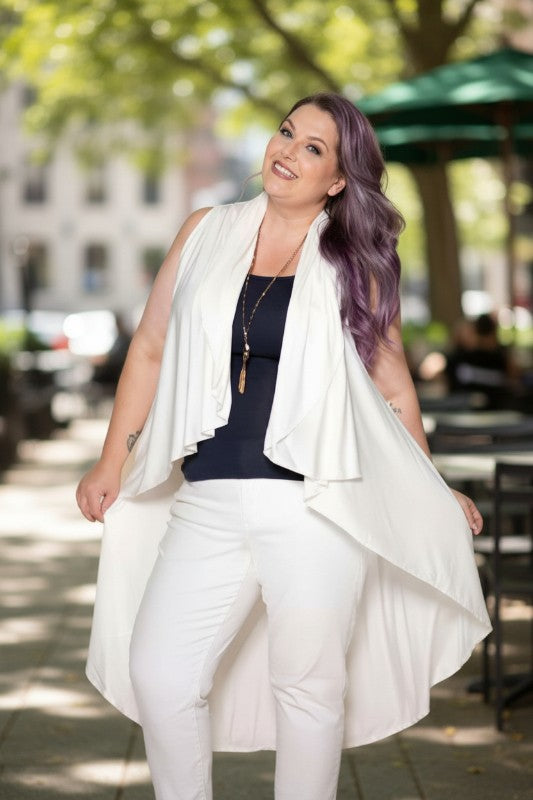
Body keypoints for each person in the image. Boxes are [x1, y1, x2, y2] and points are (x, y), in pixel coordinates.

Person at [77, 93, 491, 800]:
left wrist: (429, 483)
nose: (288, 152)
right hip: (207, 496)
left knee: (308, 687)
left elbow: (392, 386)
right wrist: (111, 459)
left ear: (338, 179)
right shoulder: (205, 230)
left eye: (313, 148)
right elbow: (149, 348)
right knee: (160, 672)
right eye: (286, 133)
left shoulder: (356, 262)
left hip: (317, 506)